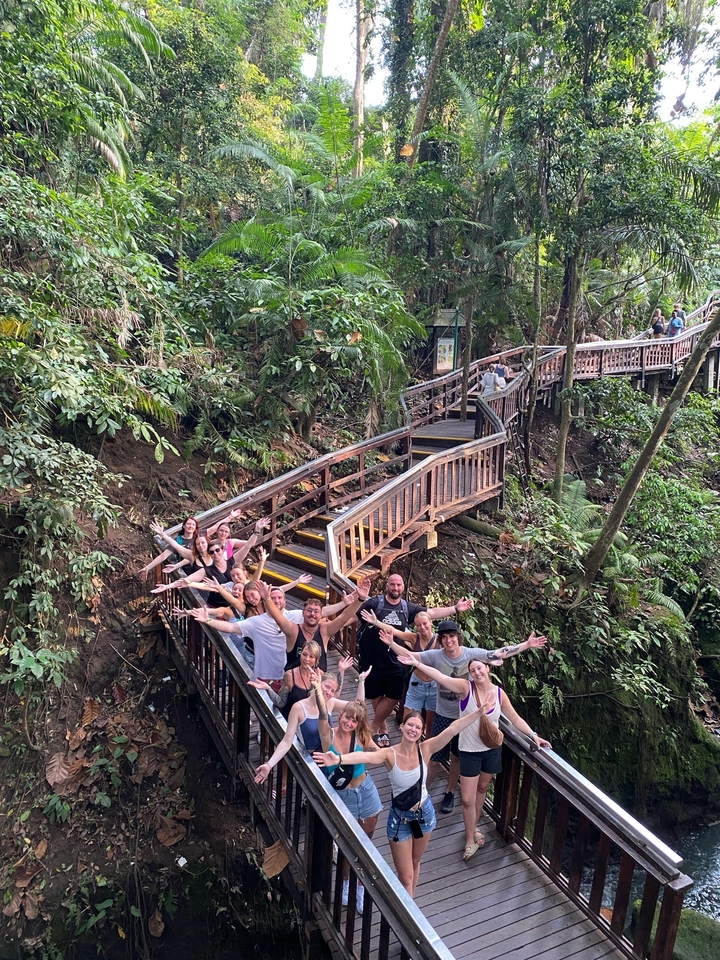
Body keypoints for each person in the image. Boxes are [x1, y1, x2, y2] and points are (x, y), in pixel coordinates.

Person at [314, 704, 488, 897]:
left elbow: (453, 729)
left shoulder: (426, 749)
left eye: (417, 728)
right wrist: (339, 760)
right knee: (405, 877)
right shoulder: (390, 754)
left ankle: (410, 907)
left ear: (422, 733)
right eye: (410, 725)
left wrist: (479, 712)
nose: (413, 730)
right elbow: (365, 756)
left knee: (415, 863)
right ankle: (407, 916)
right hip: (400, 821)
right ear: (402, 727)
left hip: (424, 815)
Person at [377, 620, 547, 815]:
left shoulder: (471, 655)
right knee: (433, 758)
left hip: (466, 717)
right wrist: (391, 643)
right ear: (440, 640)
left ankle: (449, 791)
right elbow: (411, 656)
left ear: (458, 636)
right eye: (444, 637)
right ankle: (417, 791)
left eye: (452, 636)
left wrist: (526, 645)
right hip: (443, 713)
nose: (449, 641)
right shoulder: (436, 655)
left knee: (457, 758)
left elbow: (498, 653)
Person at [397, 652, 550, 861]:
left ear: (488, 669)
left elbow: (514, 717)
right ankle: (470, 838)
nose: (477, 672)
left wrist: (533, 736)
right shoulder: (465, 688)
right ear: (470, 674)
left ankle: (474, 827)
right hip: (469, 750)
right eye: (472, 670)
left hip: (491, 750)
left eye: (480, 668)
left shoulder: (498, 694)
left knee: (481, 789)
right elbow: (441, 677)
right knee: (467, 799)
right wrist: (416, 663)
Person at [355, 574, 472, 747]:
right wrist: (361, 598)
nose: (395, 588)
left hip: (395, 661)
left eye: (399, 585)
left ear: (403, 587)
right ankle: (383, 727)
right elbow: (356, 613)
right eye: (392, 585)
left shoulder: (407, 607)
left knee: (394, 696)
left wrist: (455, 608)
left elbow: (430, 613)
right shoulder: (375, 603)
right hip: (370, 658)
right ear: (387, 586)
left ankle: (373, 727)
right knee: (376, 695)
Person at [189, 584, 366, 689]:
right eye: (273, 598)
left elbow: (320, 612)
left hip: (296, 675)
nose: (277, 601)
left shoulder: (296, 616)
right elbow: (232, 627)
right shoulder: (257, 621)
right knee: (268, 709)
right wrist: (209, 621)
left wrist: (348, 602)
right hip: (267, 674)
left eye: (280, 597)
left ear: (285, 600)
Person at [253, 666, 370, 782]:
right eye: (327, 686)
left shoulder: (330, 703)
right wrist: (269, 765)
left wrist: (361, 680)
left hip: (332, 756)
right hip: (313, 762)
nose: (329, 692)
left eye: (333, 691)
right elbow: (287, 741)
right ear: (318, 683)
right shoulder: (299, 708)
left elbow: (358, 708)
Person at [319, 699, 382, 912]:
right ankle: (346, 882)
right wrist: (319, 689)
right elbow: (321, 714)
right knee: (349, 842)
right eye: (347, 717)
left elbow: (379, 753)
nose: (349, 722)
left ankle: (360, 885)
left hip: (365, 789)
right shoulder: (329, 735)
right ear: (340, 714)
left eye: (354, 720)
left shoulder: (361, 736)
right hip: (343, 794)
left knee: (365, 843)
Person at [255, 577, 371, 673]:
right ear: (303, 613)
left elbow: (343, 617)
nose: (312, 614)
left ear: (321, 615)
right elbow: (279, 618)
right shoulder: (293, 630)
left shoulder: (325, 631)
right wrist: (266, 598)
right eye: (309, 611)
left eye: (316, 612)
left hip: (318, 684)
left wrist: (360, 600)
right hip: (295, 684)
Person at [360, 608, 439, 738]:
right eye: (418, 625)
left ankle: (423, 754)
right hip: (416, 684)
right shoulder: (414, 638)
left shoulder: (440, 640)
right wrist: (376, 622)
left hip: (434, 685)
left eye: (425, 623)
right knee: (407, 719)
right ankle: (407, 748)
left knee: (429, 725)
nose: (422, 627)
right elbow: (395, 631)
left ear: (431, 622)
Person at [138, 516, 198, 580]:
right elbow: (163, 556)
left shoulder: (198, 540)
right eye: (188, 524)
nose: (191, 526)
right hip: (185, 573)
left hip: (199, 570)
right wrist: (147, 568)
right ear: (183, 526)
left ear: (195, 527)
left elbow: (196, 556)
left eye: (193, 524)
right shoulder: (178, 540)